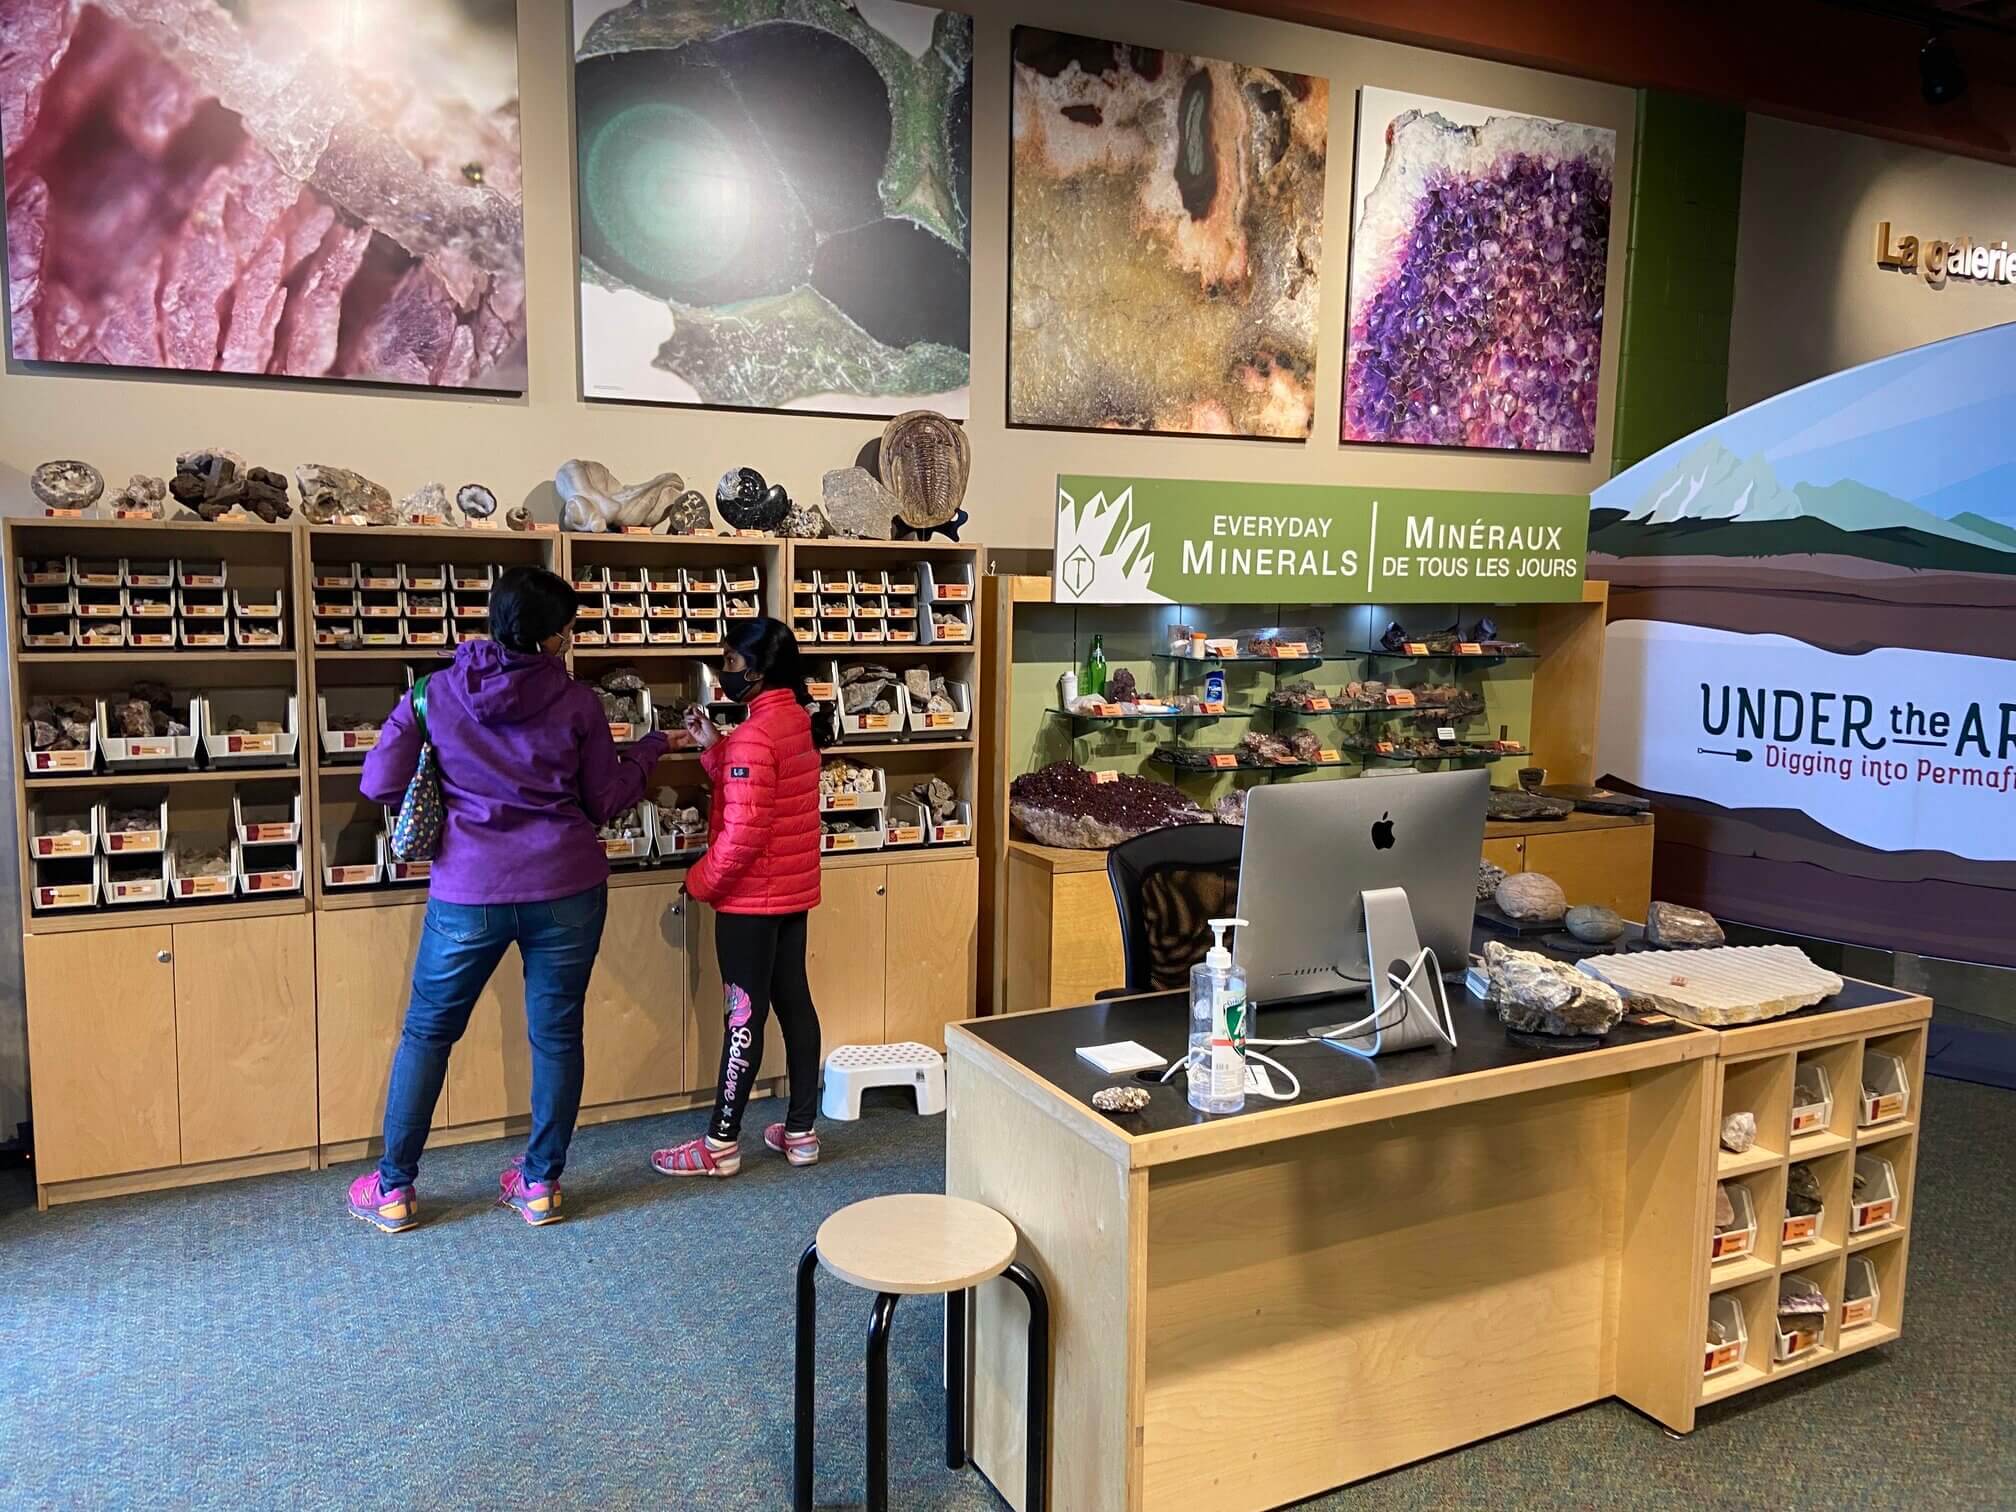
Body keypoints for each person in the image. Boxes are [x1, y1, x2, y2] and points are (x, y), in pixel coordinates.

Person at [344, 566, 668, 1232]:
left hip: (469, 891)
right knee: (556, 1035)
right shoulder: (577, 702)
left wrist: (448, 785)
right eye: (569, 629)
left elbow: (379, 783)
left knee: (428, 1033)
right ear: (552, 637)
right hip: (567, 887)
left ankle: (395, 1189)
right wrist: (649, 750)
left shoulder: (433, 693)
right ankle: (540, 1184)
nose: (570, 640)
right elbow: (604, 800)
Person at [652, 616, 825, 1177]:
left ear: (758, 669)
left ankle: (721, 1143)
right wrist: (715, 747)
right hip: (791, 892)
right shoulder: (794, 720)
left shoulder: (755, 735)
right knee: (795, 1005)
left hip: (750, 901)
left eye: (730, 661)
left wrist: (699, 881)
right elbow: (757, 787)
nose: (723, 671)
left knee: (743, 1016)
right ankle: (801, 1133)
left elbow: (743, 834)